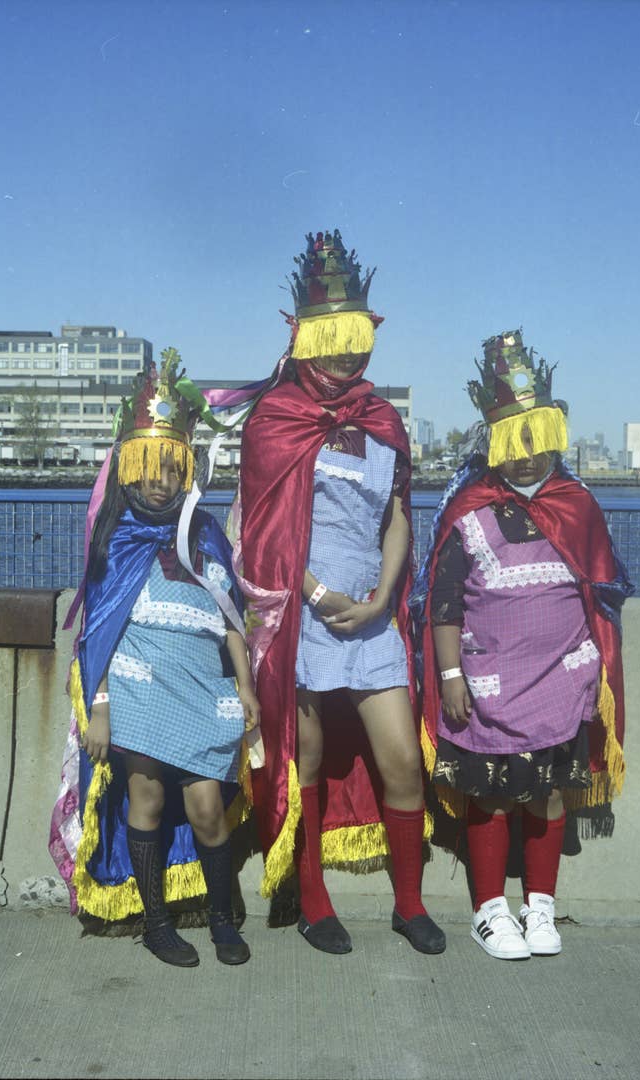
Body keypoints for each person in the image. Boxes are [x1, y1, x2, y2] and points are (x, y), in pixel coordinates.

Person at [230, 229, 444, 955]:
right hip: (306, 619)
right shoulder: (275, 420)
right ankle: (316, 902)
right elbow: (261, 535)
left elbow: (397, 519)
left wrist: (384, 597)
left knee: (402, 760)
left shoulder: (382, 421)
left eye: (358, 340)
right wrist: (322, 596)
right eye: (335, 339)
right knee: (310, 756)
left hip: (374, 621)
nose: (348, 355)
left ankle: (408, 904)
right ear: (306, 338)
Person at [412, 329, 633, 960]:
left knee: (548, 791)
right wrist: (451, 676)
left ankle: (541, 907)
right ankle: (490, 911)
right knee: (490, 792)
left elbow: (602, 597)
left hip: (562, 679)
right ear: (495, 444)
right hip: (489, 685)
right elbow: (445, 604)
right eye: (515, 444)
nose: (528, 458)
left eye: (537, 442)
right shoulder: (469, 512)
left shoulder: (579, 505)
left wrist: (597, 675)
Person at [49, 348, 260, 967]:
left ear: (185, 470)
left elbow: (232, 622)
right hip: (138, 691)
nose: (159, 481)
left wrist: (245, 687)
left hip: (201, 690)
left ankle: (222, 918)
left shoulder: (207, 537)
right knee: (143, 800)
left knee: (204, 809)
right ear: (128, 469)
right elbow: (100, 635)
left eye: (171, 469)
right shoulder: (113, 544)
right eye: (148, 468)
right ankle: (157, 924)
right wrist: (103, 710)